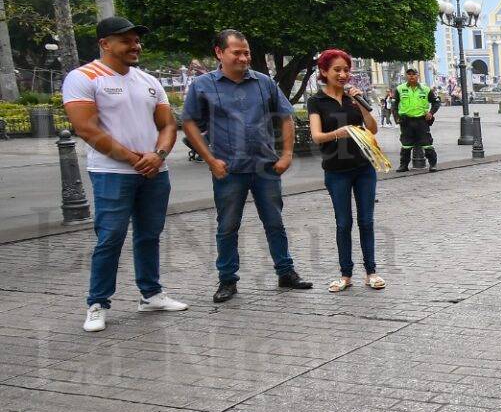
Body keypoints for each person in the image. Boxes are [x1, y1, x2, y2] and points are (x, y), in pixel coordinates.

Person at [62, 17, 189, 332]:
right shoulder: (83, 77)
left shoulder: (148, 80)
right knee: (111, 237)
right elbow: (86, 128)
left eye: (137, 40)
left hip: (154, 171)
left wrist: (157, 156)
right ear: (105, 43)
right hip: (111, 173)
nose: (135, 46)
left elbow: (168, 125)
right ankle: (97, 303)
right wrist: (135, 159)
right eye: (126, 40)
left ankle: (151, 294)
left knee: (149, 234)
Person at [180, 28, 312, 302]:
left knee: (274, 222)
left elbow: (286, 116)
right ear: (219, 52)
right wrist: (210, 159)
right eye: (237, 52)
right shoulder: (203, 85)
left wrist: (287, 154)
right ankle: (227, 280)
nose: (243, 57)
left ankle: (285, 272)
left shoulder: (264, 82)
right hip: (228, 170)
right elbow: (189, 123)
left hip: (265, 167)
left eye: (247, 52)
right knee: (227, 226)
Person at [307, 50, 385, 292]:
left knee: (366, 221)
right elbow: (317, 136)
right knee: (343, 223)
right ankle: (345, 274)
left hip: (363, 168)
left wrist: (361, 105)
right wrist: (337, 134)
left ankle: (371, 272)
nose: (342, 75)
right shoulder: (316, 101)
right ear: (323, 72)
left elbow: (372, 129)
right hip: (336, 170)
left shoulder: (354, 99)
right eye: (336, 70)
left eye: (346, 70)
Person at [395, 67, 440, 171]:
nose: (411, 76)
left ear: (418, 76)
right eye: (409, 74)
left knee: (427, 143)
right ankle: (403, 165)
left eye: (414, 74)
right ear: (406, 76)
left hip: (421, 121)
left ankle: (433, 164)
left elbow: (436, 102)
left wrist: (431, 112)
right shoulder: (399, 89)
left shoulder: (426, 89)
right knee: (406, 145)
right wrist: (397, 118)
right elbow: (394, 105)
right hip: (406, 121)